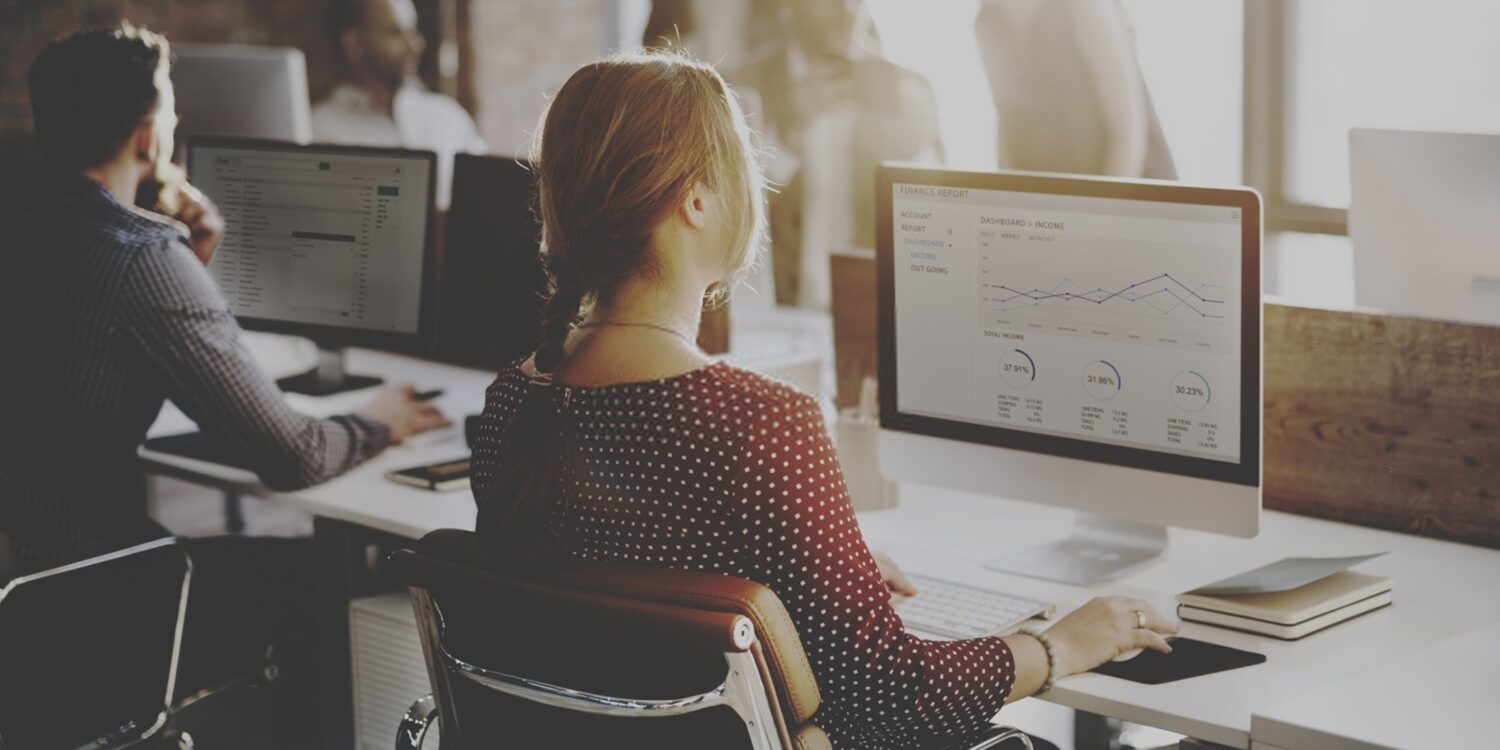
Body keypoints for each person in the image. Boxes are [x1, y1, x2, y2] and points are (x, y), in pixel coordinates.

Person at [469, 50, 1177, 748]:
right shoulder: (757, 424)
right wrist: (1057, 645)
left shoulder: (514, 403)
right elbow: (890, 697)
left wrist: (817, 555)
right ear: (696, 201)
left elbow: (626, 598)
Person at [0, 24, 448, 744]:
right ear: (149, 136)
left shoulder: (21, 226)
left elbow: (83, 351)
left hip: (18, 586)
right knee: (311, 583)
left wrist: (188, 263)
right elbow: (295, 453)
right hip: (82, 597)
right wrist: (382, 420)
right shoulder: (142, 257)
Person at [728, 0, 941, 309]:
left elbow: (933, 224)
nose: (847, 11)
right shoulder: (742, 87)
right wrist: (788, 132)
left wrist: (916, 152)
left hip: (871, 310)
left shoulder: (907, 90)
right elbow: (727, 214)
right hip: (775, 314)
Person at [313, 0, 487, 208]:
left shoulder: (450, 117)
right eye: (395, 33)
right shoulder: (317, 131)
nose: (415, 44)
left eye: (413, 30)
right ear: (354, 43)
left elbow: (488, 199)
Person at [974, 0, 1177, 179]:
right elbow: (1009, 130)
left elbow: (1128, 133)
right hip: (1062, 201)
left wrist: (1097, 214)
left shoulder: (1081, 5)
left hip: (1130, 188)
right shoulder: (988, 22)